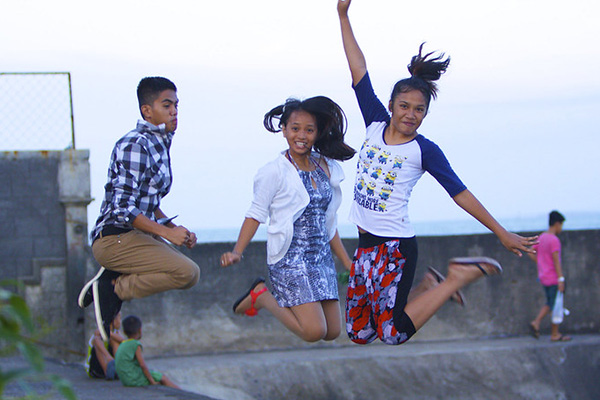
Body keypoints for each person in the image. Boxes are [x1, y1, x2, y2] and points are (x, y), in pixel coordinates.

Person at [337, 0, 538, 345]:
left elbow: (460, 193)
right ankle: (429, 285)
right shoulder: (374, 122)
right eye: (404, 106)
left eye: (419, 110)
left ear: (426, 113)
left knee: (394, 333)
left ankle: (454, 278)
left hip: (395, 248)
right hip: (365, 246)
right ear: (391, 106)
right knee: (359, 333)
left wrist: (501, 232)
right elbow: (359, 70)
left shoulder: (424, 151)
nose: (410, 115)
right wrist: (343, 15)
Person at [220, 96, 355, 342]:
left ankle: (263, 296)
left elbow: (329, 223)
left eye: (309, 130)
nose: (301, 135)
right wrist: (237, 251)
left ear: (317, 133)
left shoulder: (325, 167)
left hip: (320, 258)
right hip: (290, 259)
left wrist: (347, 262)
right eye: (295, 129)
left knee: (333, 331)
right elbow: (255, 214)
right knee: (314, 331)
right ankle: (261, 296)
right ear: (283, 131)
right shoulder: (274, 171)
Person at [78, 77, 200, 342]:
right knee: (187, 272)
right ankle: (113, 287)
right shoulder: (136, 144)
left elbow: (149, 202)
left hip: (133, 236)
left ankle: (113, 276)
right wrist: (166, 235)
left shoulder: (159, 143)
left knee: (188, 272)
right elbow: (123, 208)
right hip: (115, 237)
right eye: (167, 105)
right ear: (147, 110)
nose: (174, 112)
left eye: (177, 105)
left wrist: (173, 228)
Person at [528, 211, 571, 342]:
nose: (561, 228)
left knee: (552, 303)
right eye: (561, 225)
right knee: (554, 304)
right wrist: (561, 279)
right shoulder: (554, 240)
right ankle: (540, 324)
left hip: (543, 276)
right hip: (553, 277)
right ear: (557, 224)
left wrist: (540, 263)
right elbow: (556, 260)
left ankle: (554, 332)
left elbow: (530, 251)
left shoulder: (542, 237)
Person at [114, 315, 180, 388]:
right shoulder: (135, 344)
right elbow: (142, 365)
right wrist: (152, 381)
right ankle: (180, 391)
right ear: (140, 330)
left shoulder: (123, 343)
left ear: (124, 332)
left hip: (125, 380)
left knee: (155, 375)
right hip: (133, 380)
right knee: (162, 377)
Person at [84, 312, 124, 380]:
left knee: (115, 341)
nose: (120, 321)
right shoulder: (99, 332)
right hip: (95, 368)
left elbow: (123, 341)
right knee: (97, 340)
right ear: (112, 320)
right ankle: (108, 369)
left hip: (111, 363)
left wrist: (110, 334)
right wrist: (109, 358)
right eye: (119, 318)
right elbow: (96, 337)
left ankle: (116, 368)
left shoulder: (115, 332)